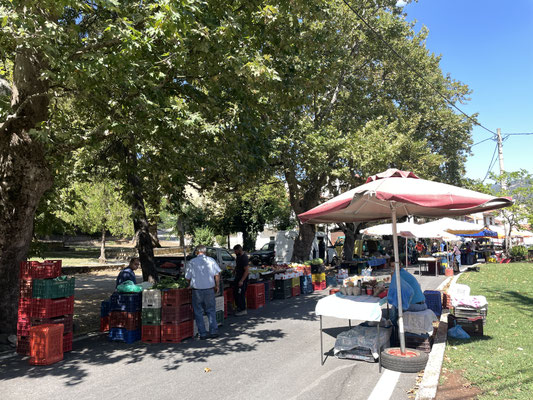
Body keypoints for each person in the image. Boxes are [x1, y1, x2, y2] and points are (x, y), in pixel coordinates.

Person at [185, 245, 221, 339]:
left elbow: (187, 277)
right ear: (205, 252)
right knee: (211, 311)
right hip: (209, 290)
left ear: (197, 252)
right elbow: (217, 274)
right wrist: (217, 285)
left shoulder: (192, 262)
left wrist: (190, 284)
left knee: (198, 312)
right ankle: (213, 331)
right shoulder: (211, 260)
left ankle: (203, 333)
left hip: (197, 291)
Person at [233, 244, 250, 316]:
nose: (235, 253)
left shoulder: (244, 258)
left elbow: (246, 271)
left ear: (239, 250)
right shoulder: (238, 256)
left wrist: (242, 280)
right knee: (236, 293)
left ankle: (243, 309)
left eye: (235, 251)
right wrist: (234, 270)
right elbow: (238, 265)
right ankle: (239, 307)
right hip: (238, 277)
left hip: (242, 278)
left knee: (241, 294)